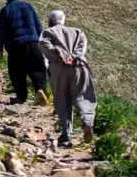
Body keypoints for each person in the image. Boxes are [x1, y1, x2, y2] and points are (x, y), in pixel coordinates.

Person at [39, 10, 96, 147]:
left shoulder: (48, 32)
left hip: (59, 69)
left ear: (50, 21)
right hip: (79, 67)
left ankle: (66, 134)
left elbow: (44, 46)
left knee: (62, 99)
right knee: (84, 97)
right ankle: (87, 121)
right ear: (64, 20)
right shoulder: (78, 32)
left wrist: (61, 57)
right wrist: (73, 57)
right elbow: (82, 47)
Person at [0, 0, 48, 106]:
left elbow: (2, 30)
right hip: (33, 42)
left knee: (16, 73)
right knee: (38, 69)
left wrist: (0, 49)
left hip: (16, 45)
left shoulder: (5, 10)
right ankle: (40, 89)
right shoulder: (28, 6)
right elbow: (38, 25)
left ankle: (21, 97)